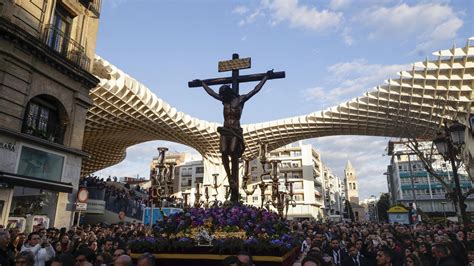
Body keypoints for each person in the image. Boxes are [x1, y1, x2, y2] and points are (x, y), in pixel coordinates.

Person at [198, 70, 273, 202]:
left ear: (228, 93)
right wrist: (203, 84)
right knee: (223, 152)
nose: (221, 97)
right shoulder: (224, 101)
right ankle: (230, 178)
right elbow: (212, 93)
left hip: (235, 130)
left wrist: (265, 77)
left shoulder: (240, 99)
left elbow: (255, 90)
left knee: (232, 151)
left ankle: (235, 182)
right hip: (225, 129)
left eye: (223, 95)